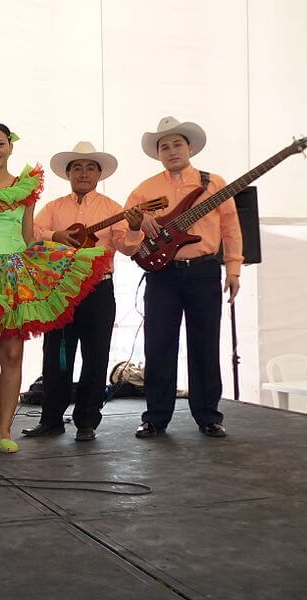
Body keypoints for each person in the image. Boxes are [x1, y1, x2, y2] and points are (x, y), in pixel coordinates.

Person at [0, 124, 111, 453]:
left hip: (16, 272)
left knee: (14, 352)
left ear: (10, 147)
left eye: (0, 143)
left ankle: (6, 430)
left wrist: (60, 248)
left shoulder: (26, 187)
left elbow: (30, 235)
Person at [125, 116, 242, 439]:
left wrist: (233, 268)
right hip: (162, 275)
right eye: (165, 146)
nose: (172, 150)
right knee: (158, 345)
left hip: (204, 271)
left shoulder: (213, 183)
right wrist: (139, 225)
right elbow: (127, 238)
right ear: (158, 153)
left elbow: (232, 228)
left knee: (205, 344)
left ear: (189, 148)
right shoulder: (144, 190)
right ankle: (155, 417)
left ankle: (208, 416)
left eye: (177, 144)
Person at [23, 141, 144, 442]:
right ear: (68, 173)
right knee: (56, 356)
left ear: (99, 174)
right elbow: (33, 236)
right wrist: (56, 235)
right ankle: (51, 419)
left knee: (96, 356)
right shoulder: (53, 208)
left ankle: (87, 421)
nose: (84, 173)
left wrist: (133, 227)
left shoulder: (112, 209)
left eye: (91, 167)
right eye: (77, 167)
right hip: (59, 291)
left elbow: (129, 248)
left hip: (98, 291)